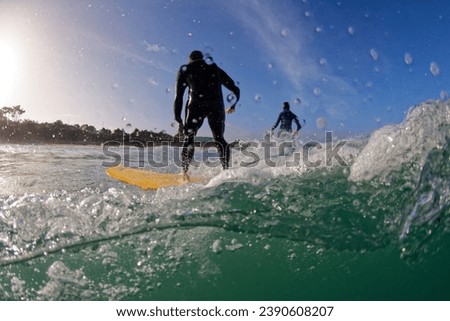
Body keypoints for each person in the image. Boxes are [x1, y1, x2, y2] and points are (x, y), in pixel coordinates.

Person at [173, 50, 240, 177]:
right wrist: (233, 105)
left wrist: (179, 121)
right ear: (202, 58)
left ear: (190, 59)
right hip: (216, 106)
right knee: (219, 138)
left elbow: (178, 97)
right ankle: (225, 172)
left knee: (189, 138)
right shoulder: (214, 68)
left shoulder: (185, 69)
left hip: (195, 106)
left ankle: (184, 174)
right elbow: (235, 88)